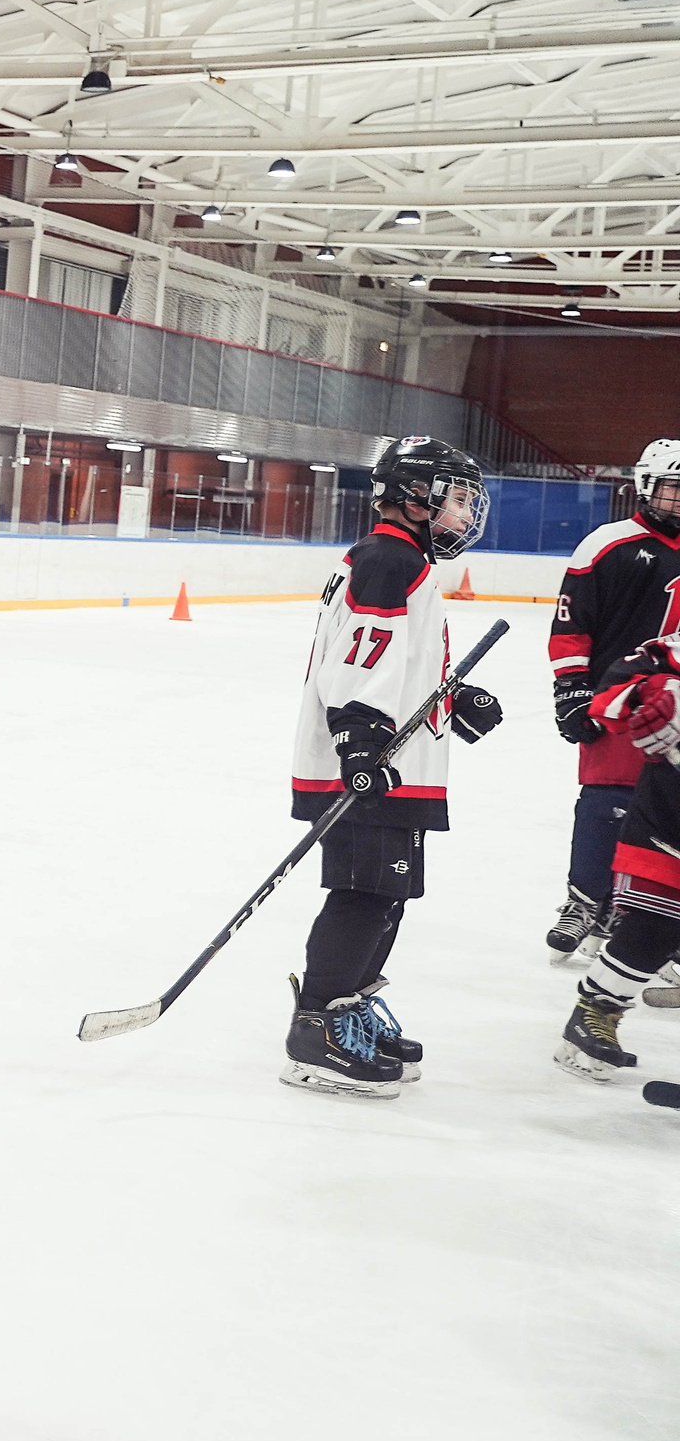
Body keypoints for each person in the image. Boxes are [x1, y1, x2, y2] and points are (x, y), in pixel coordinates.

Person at [282, 436, 504, 1098]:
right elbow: (355, 660)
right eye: (457, 499)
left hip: (393, 764)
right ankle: (316, 1032)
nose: (465, 515)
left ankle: (348, 1014)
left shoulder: (401, 560)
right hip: (369, 765)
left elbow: (394, 661)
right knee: (362, 894)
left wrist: (450, 696)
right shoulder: (388, 560)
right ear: (415, 497)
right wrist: (358, 742)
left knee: (386, 896)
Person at [545, 439, 680, 968]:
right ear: (646, 486)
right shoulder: (607, 544)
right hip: (614, 700)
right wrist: (572, 690)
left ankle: (639, 914)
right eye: (673, 488)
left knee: (666, 814)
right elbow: (571, 625)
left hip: (675, 702)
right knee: (604, 805)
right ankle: (584, 900)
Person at [555, 632, 680, 1081]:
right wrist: (657, 692)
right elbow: (615, 689)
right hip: (670, 819)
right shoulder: (670, 651)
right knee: (655, 929)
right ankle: (595, 1013)